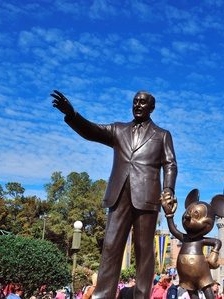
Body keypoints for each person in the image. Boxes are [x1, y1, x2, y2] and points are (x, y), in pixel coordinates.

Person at [52, 90, 177, 299]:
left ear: (152, 108)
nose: (138, 105)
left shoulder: (162, 135)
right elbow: (91, 131)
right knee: (111, 246)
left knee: (144, 252)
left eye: (143, 102)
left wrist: (168, 190)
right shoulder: (119, 129)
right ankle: (103, 295)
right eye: (135, 101)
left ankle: (141, 296)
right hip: (119, 195)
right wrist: (72, 114)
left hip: (147, 197)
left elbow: (170, 164)